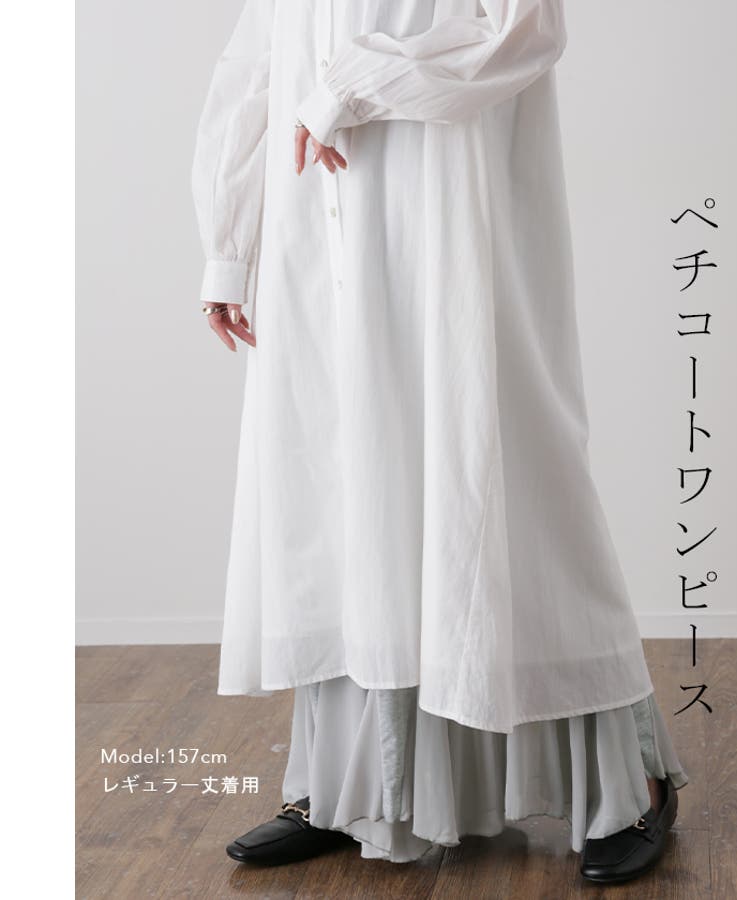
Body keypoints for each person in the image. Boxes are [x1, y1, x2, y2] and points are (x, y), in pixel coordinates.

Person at [192, 0, 688, 885]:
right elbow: (254, 64)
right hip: (318, 239)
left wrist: (348, 87)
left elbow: (524, 28)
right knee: (349, 506)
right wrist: (229, 244)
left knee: (509, 484)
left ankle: (629, 781)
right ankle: (351, 791)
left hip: (451, 219)